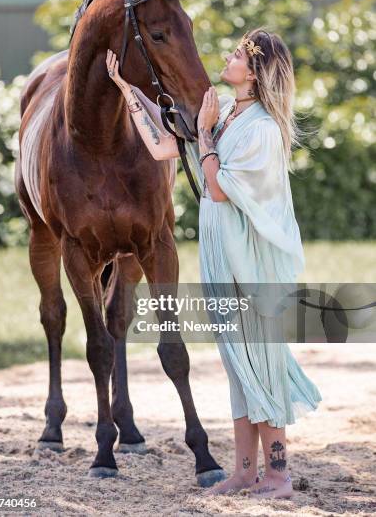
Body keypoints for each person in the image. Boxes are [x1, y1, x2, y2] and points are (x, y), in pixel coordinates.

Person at [105, 28, 322, 500]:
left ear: (256, 71)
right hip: (220, 252)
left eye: (238, 54)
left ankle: (279, 475)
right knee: (236, 362)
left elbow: (220, 187)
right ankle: (246, 471)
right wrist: (129, 91)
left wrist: (204, 136)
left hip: (250, 261)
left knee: (260, 361)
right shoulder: (224, 114)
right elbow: (165, 147)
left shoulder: (262, 128)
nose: (227, 57)